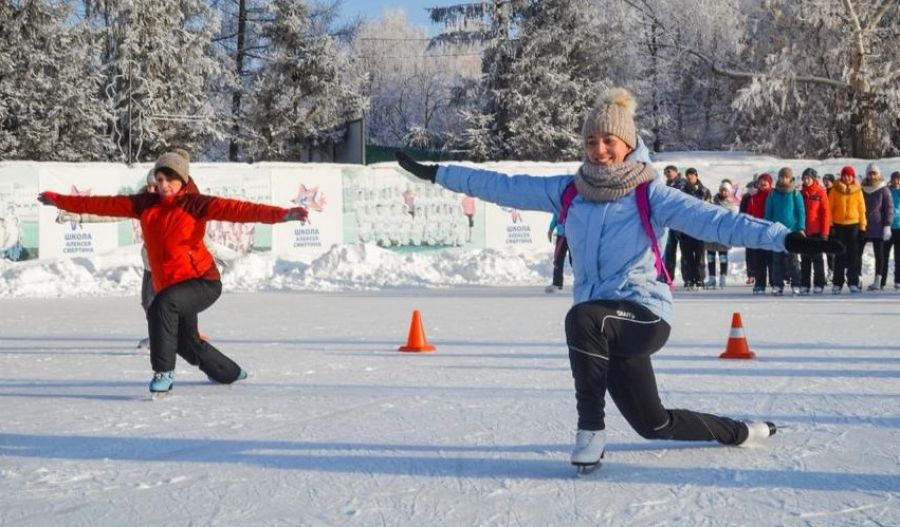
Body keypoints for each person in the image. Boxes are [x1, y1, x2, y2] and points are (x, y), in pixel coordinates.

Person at [395, 87, 842, 472]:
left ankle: (590, 430)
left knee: (584, 318)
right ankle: (740, 430)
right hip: (602, 326)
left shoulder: (651, 193)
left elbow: (718, 222)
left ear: (627, 144)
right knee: (654, 423)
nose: (599, 150)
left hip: (644, 313)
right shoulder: (569, 190)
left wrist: (786, 239)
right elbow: (502, 185)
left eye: (609, 140)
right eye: (591, 141)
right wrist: (437, 173)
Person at [38, 150, 309, 394]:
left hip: (203, 281)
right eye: (160, 179)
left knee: (161, 306)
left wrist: (283, 214)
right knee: (185, 342)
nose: (164, 185)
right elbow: (102, 204)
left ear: (182, 179)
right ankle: (230, 372)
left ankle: (163, 372)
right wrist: (60, 201)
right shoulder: (145, 204)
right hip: (172, 286)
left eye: (170, 179)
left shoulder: (196, 204)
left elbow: (242, 210)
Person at [765, 168, 805, 295]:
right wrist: (767, 226)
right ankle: (777, 284)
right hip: (776, 231)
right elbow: (768, 211)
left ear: (790, 178)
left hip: (790, 231)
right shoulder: (773, 193)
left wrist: (800, 228)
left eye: (786, 177)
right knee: (777, 260)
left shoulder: (795, 194)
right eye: (781, 177)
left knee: (792, 260)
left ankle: (796, 284)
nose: (783, 179)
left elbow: (800, 212)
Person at [830, 166, 867, 294]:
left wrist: (862, 227)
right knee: (840, 254)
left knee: (853, 256)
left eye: (849, 176)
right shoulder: (835, 190)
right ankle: (837, 283)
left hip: (853, 225)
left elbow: (862, 210)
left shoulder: (858, 191)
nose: (847, 178)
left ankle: (853, 282)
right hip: (839, 225)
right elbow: (830, 208)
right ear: (842, 176)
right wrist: (831, 226)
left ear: (853, 177)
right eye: (845, 175)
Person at [859, 163, 893, 291]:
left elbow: (889, 208)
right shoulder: (862, 188)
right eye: (870, 173)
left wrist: (887, 225)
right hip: (864, 225)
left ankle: (878, 280)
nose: (872, 176)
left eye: (874, 173)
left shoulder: (883, 189)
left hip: (878, 226)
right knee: (858, 254)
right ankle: (858, 278)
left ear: (878, 174)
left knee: (879, 255)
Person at [799, 168, 830, 294]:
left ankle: (819, 283)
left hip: (817, 231)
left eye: (808, 178)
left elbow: (825, 213)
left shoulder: (820, 193)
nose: (806, 181)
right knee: (805, 259)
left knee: (817, 259)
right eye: (804, 178)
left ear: (814, 179)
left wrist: (824, 232)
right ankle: (805, 284)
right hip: (804, 231)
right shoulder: (800, 194)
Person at [679, 167, 711, 290]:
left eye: (692, 175)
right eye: (688, 175)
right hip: (685, 228)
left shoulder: (704, 191)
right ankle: (688, 279)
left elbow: (710, 209)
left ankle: (699, 279)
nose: (690, 177)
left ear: (696, 176)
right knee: (686, 256)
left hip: (700, 229)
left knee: (699, 257)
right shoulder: (681, 191)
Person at [744, 172, 774, 294]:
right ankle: (760, 283)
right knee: (759, 259)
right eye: (760, 182)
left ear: (770, 183)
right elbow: (748, 215)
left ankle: (774, 282)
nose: (762, 184)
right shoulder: (753, 198)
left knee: (772, 259)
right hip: (757, 232)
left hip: (771, 231)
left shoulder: (774, 196)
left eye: (765, 182)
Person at [705, 181, 738, 288]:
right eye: (722, 190)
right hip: (711, 233)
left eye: (726, 190)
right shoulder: (712, 202)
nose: (723, 192)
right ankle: (711, 277)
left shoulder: (732, 205)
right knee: (711, 257)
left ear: (729, 192)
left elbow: (733, 219)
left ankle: (723, 277)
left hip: (723, 234)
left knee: (723, 257)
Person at [662, 165, 686, 282]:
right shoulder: (666, 185)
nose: (668, 174)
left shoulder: (683, 184)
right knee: (669, 251)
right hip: (669, 222)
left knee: (685, 251)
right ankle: (668, 277)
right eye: (666, 173)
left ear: (676, 172)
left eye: (669, 172)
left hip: (681, 221)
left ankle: (688, 278)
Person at [545, 212, 568, 293]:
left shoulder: (576, 201)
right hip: (561, 235)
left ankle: (582, 283)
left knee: (575, 261)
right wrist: (551, 229)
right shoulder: (559, 202)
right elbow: (556, 215)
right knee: (558, 259)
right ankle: (557, 283)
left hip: (573, 235)